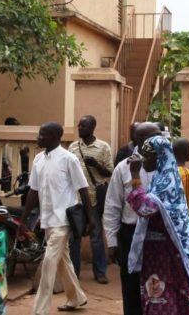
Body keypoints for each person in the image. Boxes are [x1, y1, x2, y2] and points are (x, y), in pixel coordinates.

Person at [125, 135, 189, 314]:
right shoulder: (161, 178)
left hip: (168, 256)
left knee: (162, 300)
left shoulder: (167, 182)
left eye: (147, 156)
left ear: (160, 156)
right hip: (157, 254)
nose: (143, 160)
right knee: (159, 297)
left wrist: (135, 175)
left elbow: (145, 207)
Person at [20, 122, 93, 314]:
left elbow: (83, 189)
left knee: (49, 261)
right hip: (47, 220)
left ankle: (40, 309)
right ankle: (77, 297)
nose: (38, 137)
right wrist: (24, 219)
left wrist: (91, 219)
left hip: (64, 220)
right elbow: (33, 192)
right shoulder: (38, 160)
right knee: (63, 261)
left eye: (42, 134)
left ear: (54, 136)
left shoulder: (69, 159)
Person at [104, 122, 161, 315]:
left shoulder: (167, 167)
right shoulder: (123, 168)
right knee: (131, 287)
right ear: (138, 140)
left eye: (159, 136)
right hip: (130, 234)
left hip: (159, 236)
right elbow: (112, 205)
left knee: (159, 288)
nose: (157, 141)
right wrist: (112, 241)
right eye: (151, 137)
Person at [68, 115, 113, 284]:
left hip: (94, 198)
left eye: (84, 125)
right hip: (76, 199)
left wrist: (96, 165)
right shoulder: (72, 147)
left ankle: (100, 272)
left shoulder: (103, 147)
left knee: (96, 236)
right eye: (79, 125)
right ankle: (74, 273)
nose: (80, 128)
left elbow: (109, 173)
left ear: (93, 127)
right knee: (74, 237)